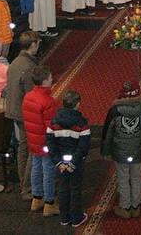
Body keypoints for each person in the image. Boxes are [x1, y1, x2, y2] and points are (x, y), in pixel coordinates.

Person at [101, 82, 141, 219]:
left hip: (120, 152)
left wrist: (106, 151)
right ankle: (136, 206)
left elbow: (108, 133)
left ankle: (125, 207)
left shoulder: (115, 111)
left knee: (123, 179)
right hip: (137, 151)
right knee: (136, 177)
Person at [4, 30, 42, 199]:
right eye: (38, 43)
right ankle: (27, 187)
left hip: (15, 108)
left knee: (23, 147)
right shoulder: (28, 67)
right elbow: (31, 93)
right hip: (25, 112)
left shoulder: (15, 62)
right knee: (32, 148)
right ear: (32, 45)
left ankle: (23, 182)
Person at [47, 90, 91, 227]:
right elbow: (83, 147)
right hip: (76, 163)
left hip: (60, 162)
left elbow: (50, 144)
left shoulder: (54, 121)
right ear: (77, 104)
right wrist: (73, 163)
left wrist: (58, 162)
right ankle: (77, 218)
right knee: (75, 189)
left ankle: (64, 218)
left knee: (63, 188)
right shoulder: (82, 123)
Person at [23, 66, 59, 217]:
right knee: (48, 170)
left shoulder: (28, 96)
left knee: (36, 168)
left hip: (33, 139)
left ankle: (36, 198)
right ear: (44, 81)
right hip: (45, 141)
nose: (52, 79)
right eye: (50, 78)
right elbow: (51, 126)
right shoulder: (48, 101)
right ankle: (49, 203)